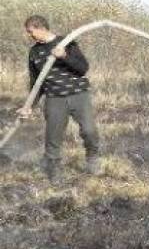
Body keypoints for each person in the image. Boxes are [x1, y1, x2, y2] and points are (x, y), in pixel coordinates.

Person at [16, 15, 101, 184]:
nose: (30, 35)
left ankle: (92, 159)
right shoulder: (34, 52)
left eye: (31, 32)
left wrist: (64, 56)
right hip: (54, 99)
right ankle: (54, 170)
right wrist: (29, 106)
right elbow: (36, 83)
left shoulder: (67, 42)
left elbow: (83, 68)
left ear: (41, 27)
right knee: (53, 137)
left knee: (89, 131)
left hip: (79, 95)